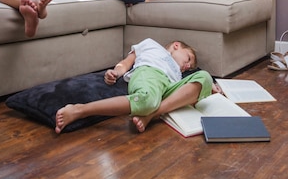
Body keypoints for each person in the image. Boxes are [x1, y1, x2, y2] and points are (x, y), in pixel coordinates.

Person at [55, 38, 215, 134]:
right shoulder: (152, 45)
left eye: (189, 67)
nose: (187, 66)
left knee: (205, 77)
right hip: (149, 74)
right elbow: (126, 62)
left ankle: (151, 114)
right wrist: (116, 72)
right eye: (188, 59)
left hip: (166, 88)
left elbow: (191, 87)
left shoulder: (179, 73)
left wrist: (208, 86)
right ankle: (80, 110)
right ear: (176, 45)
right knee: (147, 99)